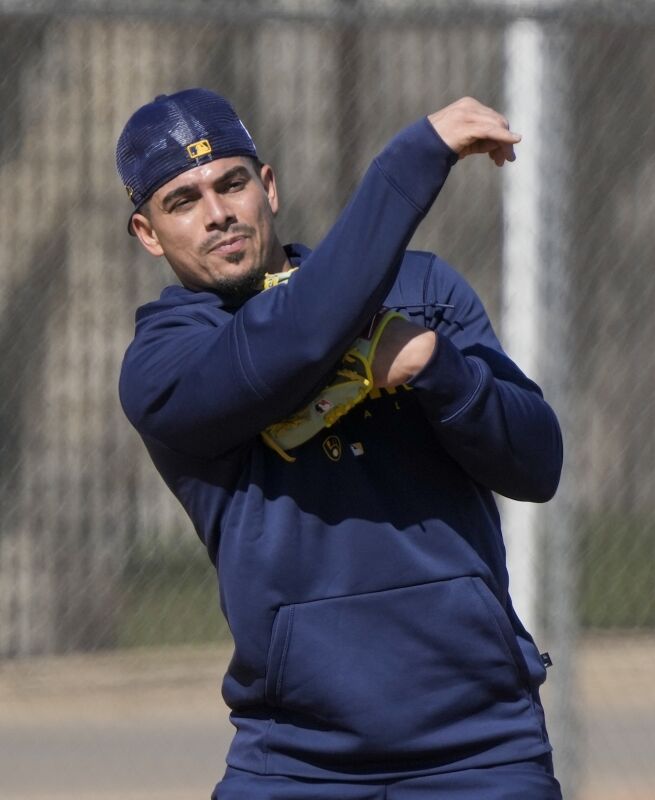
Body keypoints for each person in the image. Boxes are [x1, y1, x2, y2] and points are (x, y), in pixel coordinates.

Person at [115, 88, 564, 799]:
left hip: (482, 750)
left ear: (268, 187)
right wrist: (410, 160)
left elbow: (538, 463)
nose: (217, 213)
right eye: (183, 200)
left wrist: (435, 367)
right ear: (147, 232)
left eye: (232, 183)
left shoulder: (421, 289)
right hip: (295, 759)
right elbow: (293, 337)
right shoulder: (165, 363)